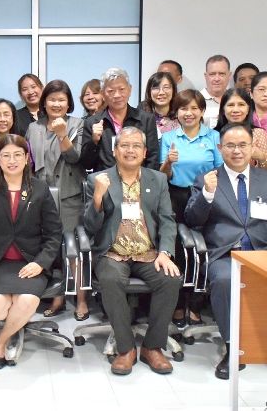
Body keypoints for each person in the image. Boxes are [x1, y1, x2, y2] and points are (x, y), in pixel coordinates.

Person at [184, 123, 267, 380]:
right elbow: (192, 220)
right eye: (230, 145)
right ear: (220, 148)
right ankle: (233, 347)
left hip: (263, 254)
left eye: (242, 145)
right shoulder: (207, 178)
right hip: (225, 254)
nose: (237, 151)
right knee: (225, 281)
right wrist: (207, 194)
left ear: (252, 147)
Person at [84, 126, 181, 376]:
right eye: (124, 145)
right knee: (111, 279)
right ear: (115, 151)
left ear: (145, 152)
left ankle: (152, 347)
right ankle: (126, 349)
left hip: (148, 252)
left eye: (136, 146)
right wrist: (98, 198)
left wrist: (165, 252)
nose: (130, 150)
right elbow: (90, 226)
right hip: (113, 252)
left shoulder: (157, 179)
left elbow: (167, 220)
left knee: (170, 279)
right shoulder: (98, 179)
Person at [0, 135, 62, 369]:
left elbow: (54, 233)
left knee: (25, 301)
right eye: (6, 155)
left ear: (27, 158)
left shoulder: (39, 188)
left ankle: (1, 341)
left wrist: (41, 262)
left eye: (18, 155)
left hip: (30, 262)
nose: (12, 160)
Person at [24, 79, 88, 320]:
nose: (56, 104)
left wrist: (62, 136)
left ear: (69, 103)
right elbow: (28, 162)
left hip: (69, 195)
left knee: (73, 247)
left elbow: (75, 157)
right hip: (41, 195)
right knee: (48, 245)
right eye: (52, 99)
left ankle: (81, 299)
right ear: (44, 102)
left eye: (62, 99)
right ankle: (57, 297)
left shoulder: (77, 124)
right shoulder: (34, 127)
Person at [159, 89, 223, 327]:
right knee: (177, 249)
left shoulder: (213, 137)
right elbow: (163, 175)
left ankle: (196, 305)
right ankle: (177, 304)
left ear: (202, 111)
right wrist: (168, 162)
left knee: (205, 247)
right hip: (176, 196)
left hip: (206, 194)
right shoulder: (169, 137)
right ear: (176, 112)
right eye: (183, 108)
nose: (189, 113)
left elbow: (221, 169)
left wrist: (209, 189)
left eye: (194, 108)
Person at [80, 67, 159, 172]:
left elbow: (153, 158)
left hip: (139, 179)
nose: (117, 95)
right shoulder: (92, 122)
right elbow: (86, 164)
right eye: (111, 91)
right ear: (103, 94)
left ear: (130, 89)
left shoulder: (146, 119)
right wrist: (93, 141)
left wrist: (144, 180)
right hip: (105, 180)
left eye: (121, 89)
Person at [215, 88, 267, 169]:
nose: (236, 110)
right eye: (231, 105)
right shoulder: (213, 135)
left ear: (248, 109)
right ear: (223, 110)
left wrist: (261, 157)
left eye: (241, 104)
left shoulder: (258, 133)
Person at [139, 72, 180, 138]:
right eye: (156, 88)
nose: (161, 92)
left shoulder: (181, 116)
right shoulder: (141, 117)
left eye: (166, 87)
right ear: (149, 92)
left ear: (173, 90)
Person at [201, 55, 231, 129]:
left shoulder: (236, 100)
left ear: (229, 76)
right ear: (205, 76)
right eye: (212, 74)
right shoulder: (195, 100)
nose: (217, 79)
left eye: (221, 74)